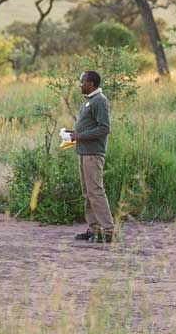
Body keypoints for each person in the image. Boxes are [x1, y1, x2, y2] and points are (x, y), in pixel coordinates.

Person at [70, 70, 114, 243]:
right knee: (87, 193)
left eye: (82, 82)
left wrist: (80, 136)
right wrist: (74, 134)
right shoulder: (89, 101)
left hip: (93, 154)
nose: (80, 84)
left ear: (91, 84)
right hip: (83, 152)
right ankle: (94, 229)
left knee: (96, 191)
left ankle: (109, 231)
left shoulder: (100, 101)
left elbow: (104, 128)